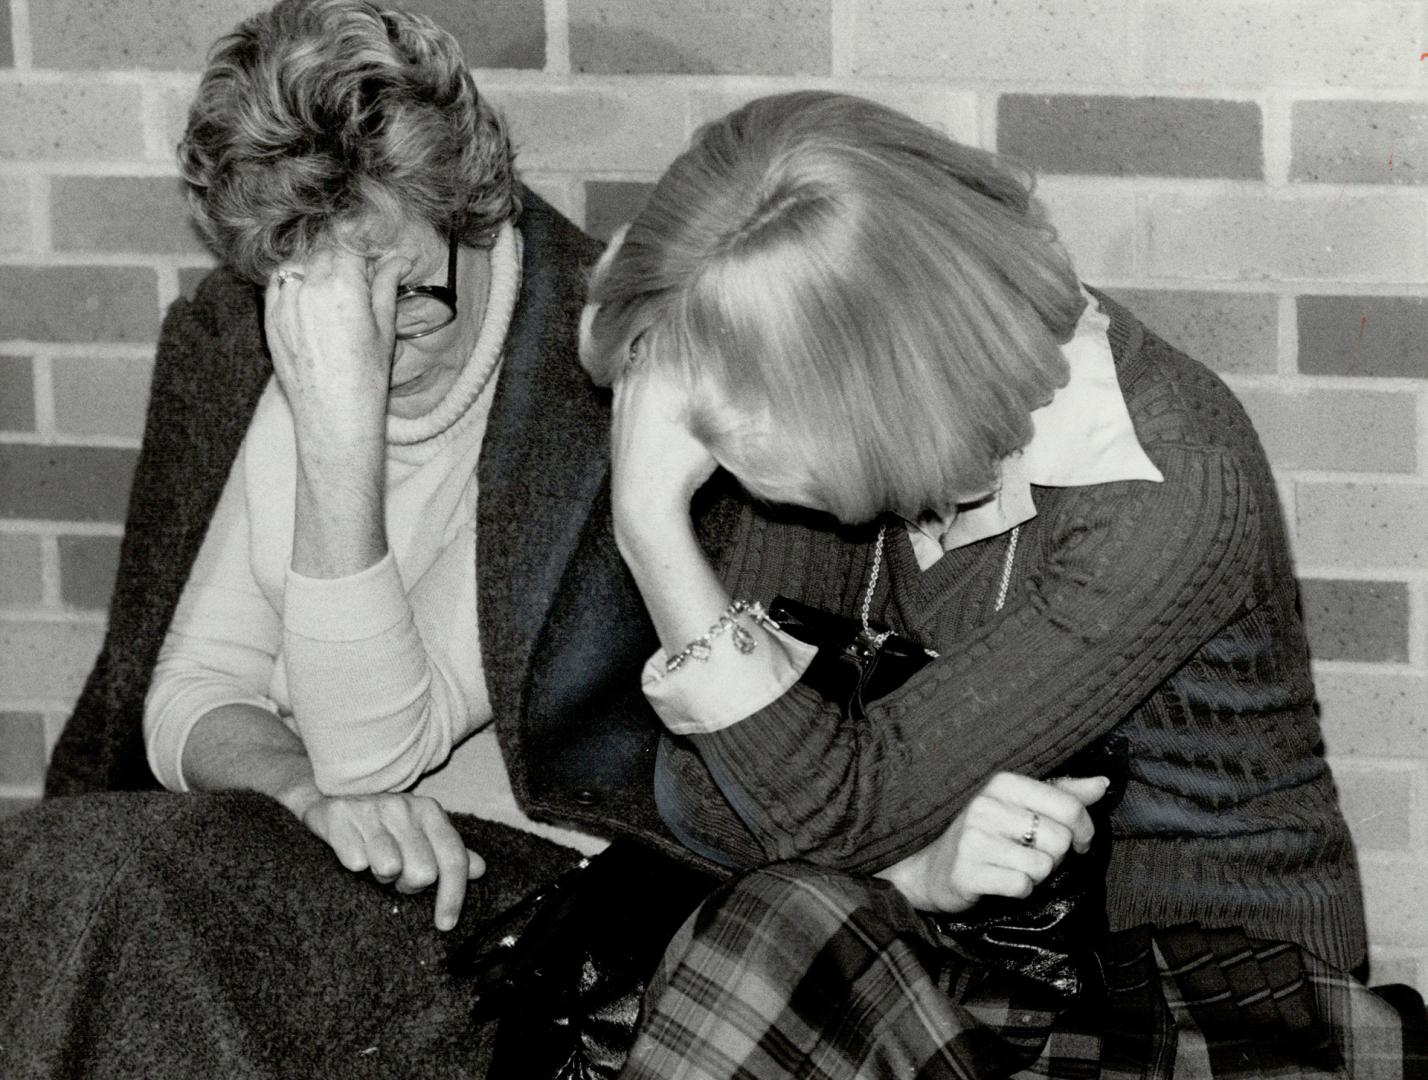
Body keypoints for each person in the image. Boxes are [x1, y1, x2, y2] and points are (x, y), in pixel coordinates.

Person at [578, 90, 1428, 1077]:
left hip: (1212, 1002)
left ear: (873, 393)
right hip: (973, 962)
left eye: (733, 437)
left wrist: (650, 530)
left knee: (775, 934)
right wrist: (919, 875)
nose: (722, 468)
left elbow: (824, 812)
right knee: (777, 922)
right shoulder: (845, 473)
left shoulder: (1168, 487)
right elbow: (707, 797)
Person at [1, 2, 710, 1075]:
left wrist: (339, 433)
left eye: (405, 292)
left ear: (478, 214)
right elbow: (188, 694)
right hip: (301, 836)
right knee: (69, 881)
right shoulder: (240, 341)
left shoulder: (593, 384)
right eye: (316, 292)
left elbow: (376, 751)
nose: (369, 338)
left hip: (507, 904)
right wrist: (298, 794)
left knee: (116, 899)